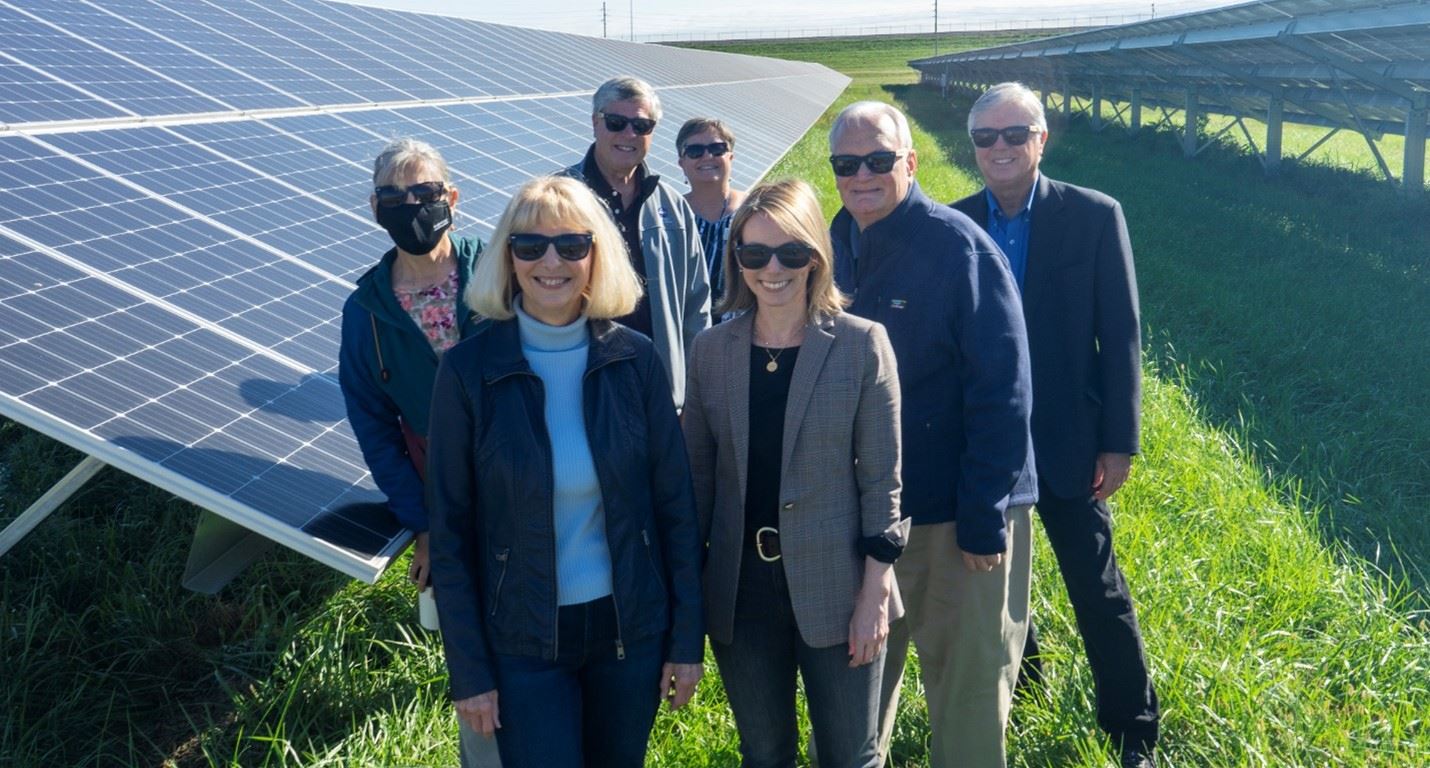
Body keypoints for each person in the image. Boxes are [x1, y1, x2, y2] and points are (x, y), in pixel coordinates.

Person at [424, 175, 704, 768]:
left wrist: (685, 642)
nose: (551, 262)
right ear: (508, 258)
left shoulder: (636, 360)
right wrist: (469, 671)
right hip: (522, 641)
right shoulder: (467, 373)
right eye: (530, 246)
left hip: (629, 633)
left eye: (572, 245)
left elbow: (676, 510)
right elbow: (450, 535)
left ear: (596, 255)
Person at [951, 81, 1158, 768]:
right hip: (985, 437)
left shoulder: (1094, 216)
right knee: (996, 580)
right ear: (973, 147)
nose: (1001, 148)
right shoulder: (957, 225)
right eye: (987, 138)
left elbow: (1121, 336)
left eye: (1016, 135)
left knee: (1094, 583)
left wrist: (1119, 441)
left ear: (1042, 139)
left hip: (1069, 433)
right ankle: (1025, 687)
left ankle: (1132, 726)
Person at [828, 101, 1037, 768]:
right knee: (856, 696)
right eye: (846, 163)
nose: (863, 174)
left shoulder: (959, 250)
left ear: (910, 163)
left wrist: (984, 516)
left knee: (968, 699)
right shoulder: (830, 248)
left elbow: (1002, 391)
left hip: (957, 518)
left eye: (880, 160)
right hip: (869, 521)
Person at [683, 178, 907, 768]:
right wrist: (685, 595)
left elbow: (882, 481)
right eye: (754, 254)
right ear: (737, 260)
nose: (772, 269)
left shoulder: (862, 345)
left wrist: (874, 595)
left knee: (850, 755)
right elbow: (696, 486)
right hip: (741, 591)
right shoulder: (711, 351)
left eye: (790, 252)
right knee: (764, 751)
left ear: (816, 255)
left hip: (840, 585)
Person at [337, 137, 502, 768]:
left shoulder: (497, 270)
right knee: (467, 635)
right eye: (394, 197)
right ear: (374, 208)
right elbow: (373, 426)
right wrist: (423, 524)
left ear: (452, 198)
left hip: (523, 476)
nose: (412, 207)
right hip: (443, 492)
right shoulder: (367, 313)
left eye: (426, 193)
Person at [560, 75, 711, 409]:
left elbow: (696, 308)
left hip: (659, 393)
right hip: (579, 392)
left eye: (642, 125)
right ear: (595, 123)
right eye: (616, 123)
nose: (629, 134)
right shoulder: (558, 200)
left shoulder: (671, 206)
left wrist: (693, 394)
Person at [675, 117, 746, 306]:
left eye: (717, 149)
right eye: (695, 151)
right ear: (681, 163)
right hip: (684, 328)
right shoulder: (671, 215)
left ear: (730, 157)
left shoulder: (754, 211)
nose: (707, 157)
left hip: (740, 328)